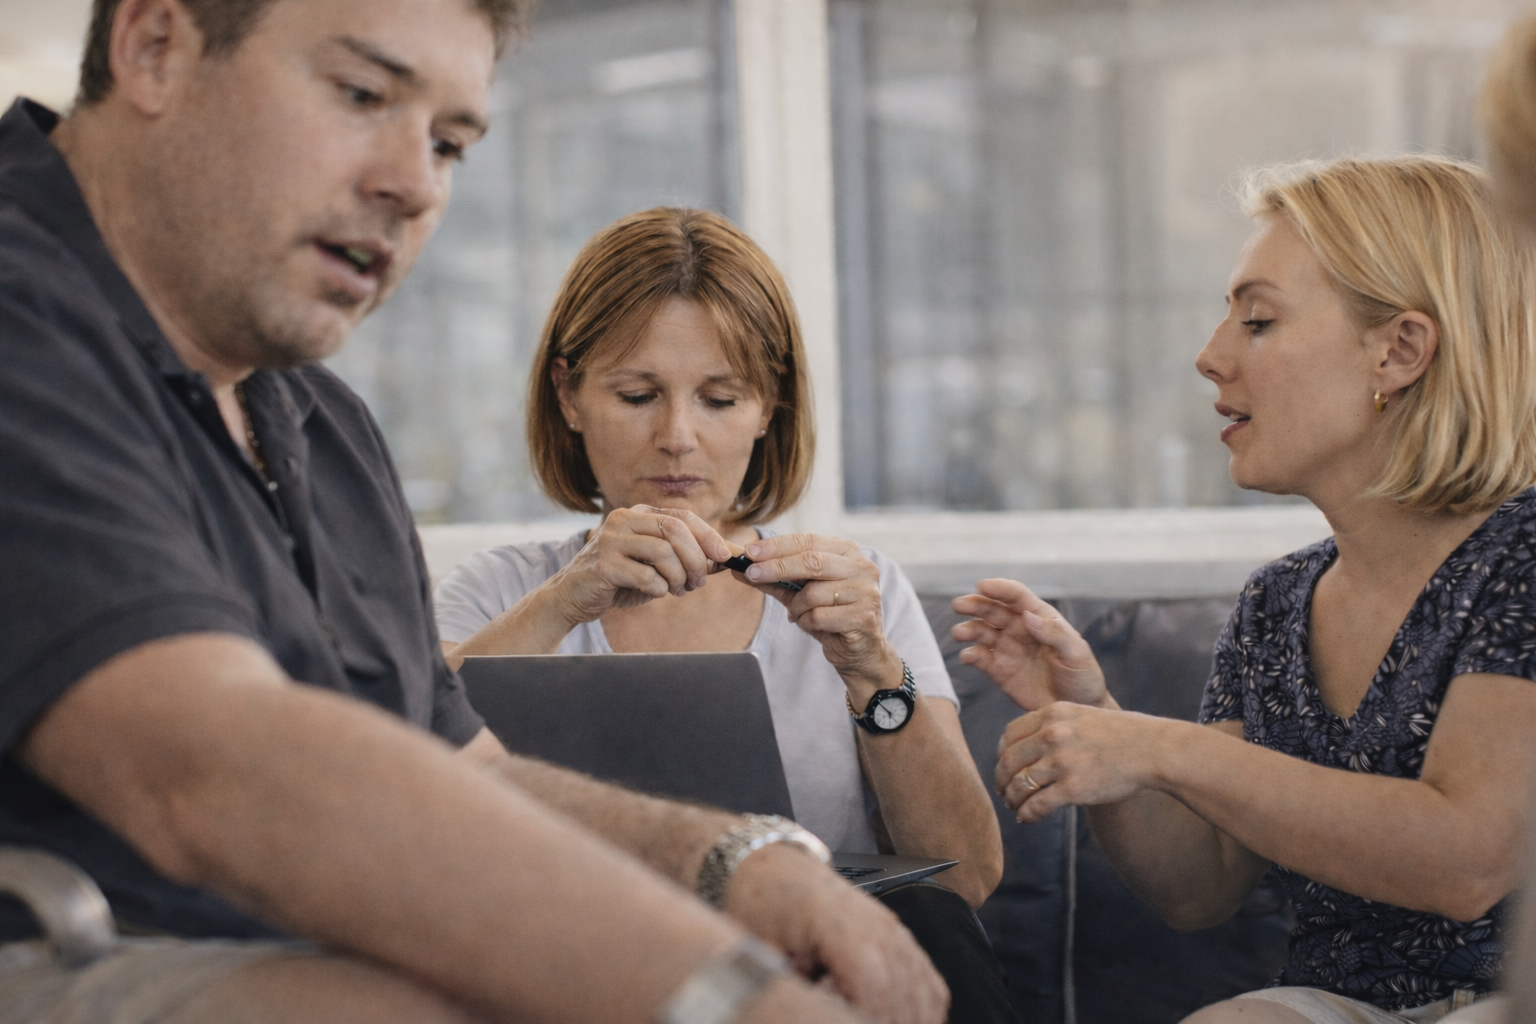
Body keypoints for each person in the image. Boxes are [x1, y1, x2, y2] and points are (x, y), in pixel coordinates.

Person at [0, 0, 953, 1021]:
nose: (414, 185)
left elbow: (464, 772)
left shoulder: (321, 425)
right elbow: (211, 766)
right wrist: (715, 990)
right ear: (156, 49)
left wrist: (738, 865)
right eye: (362, 94)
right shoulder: (24, 318)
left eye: (450, 144)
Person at [952, 154, 1536, 1024]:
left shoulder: (1520, 555)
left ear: (1400, 349)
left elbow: (1464, 862)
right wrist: (1104, 720)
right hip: (1348, 1002)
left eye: (1258, 321)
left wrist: (1161, 748)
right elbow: (1200, 887)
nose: (1210, 356)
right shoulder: (1277, 604)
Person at [433, 207, 1012, 1024]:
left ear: (769, 402)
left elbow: (967, 879)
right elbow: (405, 782)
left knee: (930, 924)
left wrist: (871, 671)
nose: (678, 438)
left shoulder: (858, 588)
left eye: (720, 397)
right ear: (568, 396)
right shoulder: (501, 590)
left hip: (805, 971)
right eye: (638, 395)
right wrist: (566, 599)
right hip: (577, 973)